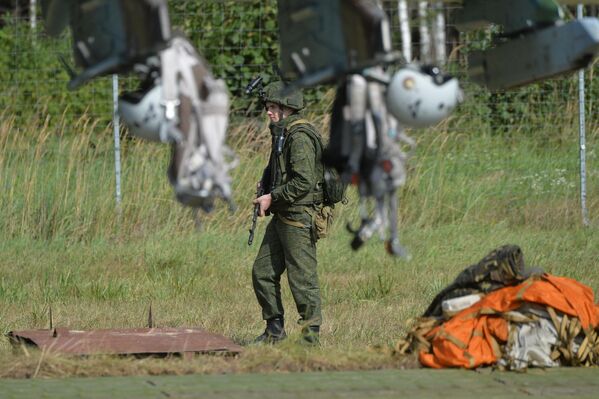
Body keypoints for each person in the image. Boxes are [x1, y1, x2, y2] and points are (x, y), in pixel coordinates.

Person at [251, 81, 325, 345]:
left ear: (286, 108)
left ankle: (310, 338)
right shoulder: (281, 132)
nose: (268, 112)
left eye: (272, 107)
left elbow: (304, 181)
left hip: (298, 216)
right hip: (282, 215)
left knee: (302, 279)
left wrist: (273, 196)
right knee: (262, 272)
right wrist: (267, 185)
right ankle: (274, 330)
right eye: (267, 107)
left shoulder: (299, 136)